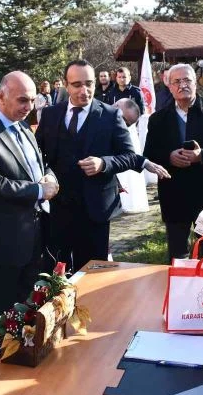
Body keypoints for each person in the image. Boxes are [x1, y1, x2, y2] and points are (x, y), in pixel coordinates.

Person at [0, 71, 59, 329]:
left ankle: (27, 349)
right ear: (0, 97)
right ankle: (0, 359)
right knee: (2, 309)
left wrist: (49, 178)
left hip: (33, 234)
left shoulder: (24, 126)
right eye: (22, 101)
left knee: (29, 302)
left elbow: (39, 165)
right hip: (1, 239)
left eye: (31, 100)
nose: (28, 107)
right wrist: (40, 191)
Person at [35, 59, 138, 272]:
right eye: (77, 84)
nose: (85, 90)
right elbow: (38, 154)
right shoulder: (51, 114)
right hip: (59, 209)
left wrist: (104, 163)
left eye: (89, 83)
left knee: (93, 274)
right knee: (55, 273)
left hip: (95, 210)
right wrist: (47, 174)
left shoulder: (110, 115)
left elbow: (129, 156)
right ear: (65, 84)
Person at [142, 63, 203, 262]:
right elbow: (149, 153)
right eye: (177, 81)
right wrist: (169, 157)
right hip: (174, 194)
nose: (182, 85)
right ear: (169, 86)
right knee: (178, 257)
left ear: (196, 83)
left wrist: (201, 155)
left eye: (187, 80)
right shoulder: (158, 119)